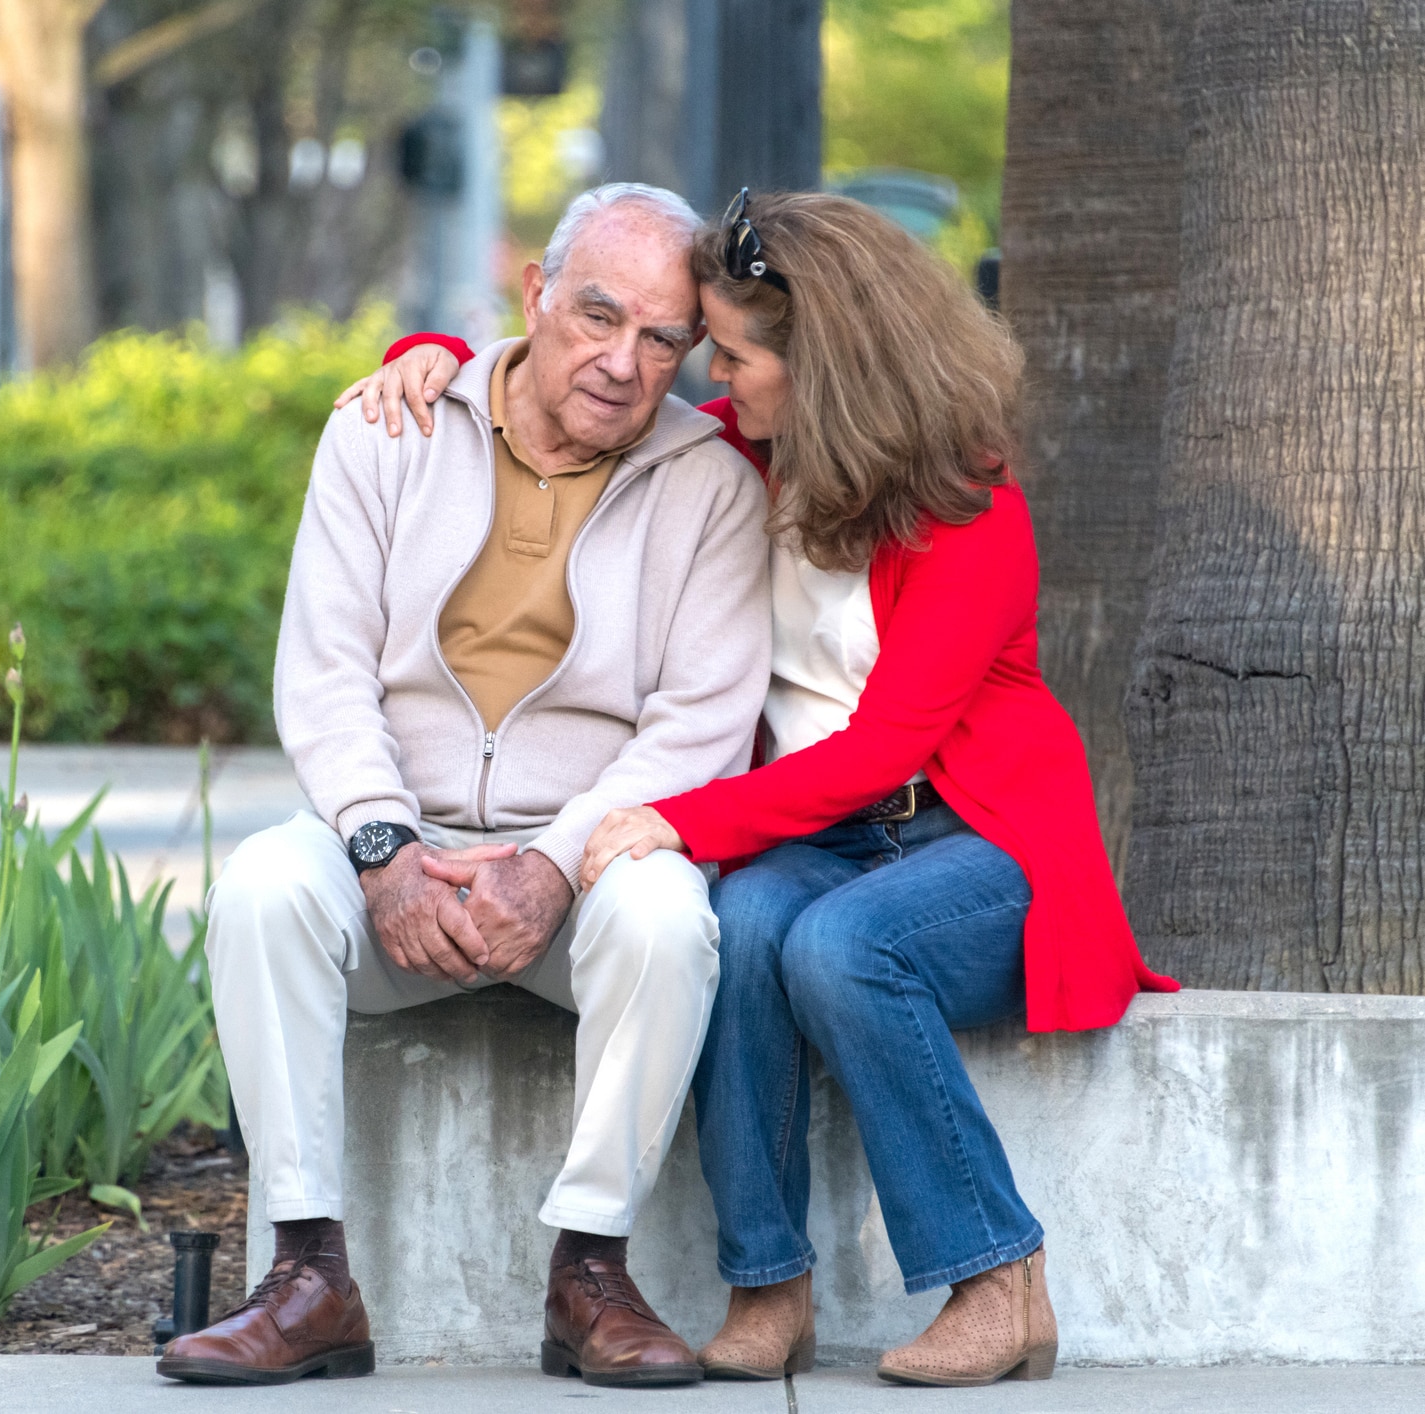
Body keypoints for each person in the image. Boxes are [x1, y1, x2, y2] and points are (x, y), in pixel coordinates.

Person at [339, 188, 1179, 1389]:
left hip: (977, 843)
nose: (711, 382)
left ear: (824, 364)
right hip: (821, 836)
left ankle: (1000, 1275)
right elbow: (553, 389)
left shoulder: (970, 509)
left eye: (733, 355)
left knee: (842, 947)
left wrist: (670, 819)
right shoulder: (741, 456)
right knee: (737, 923)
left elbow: (883, 752)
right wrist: (426, 362)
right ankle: (768, 1281)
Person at [157, 184, 772, 1389]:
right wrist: (383, 853)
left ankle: (589, 1270)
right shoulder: (387, 431)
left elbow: (701, 723)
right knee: (264, 888)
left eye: (662, 340)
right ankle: (307, 1271)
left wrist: (557, 858)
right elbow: (326, 673)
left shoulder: (709, 485)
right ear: (535, 295)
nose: (621, 361)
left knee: (667, 919)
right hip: (399, 836)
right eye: (598, 315)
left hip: (578, 863)